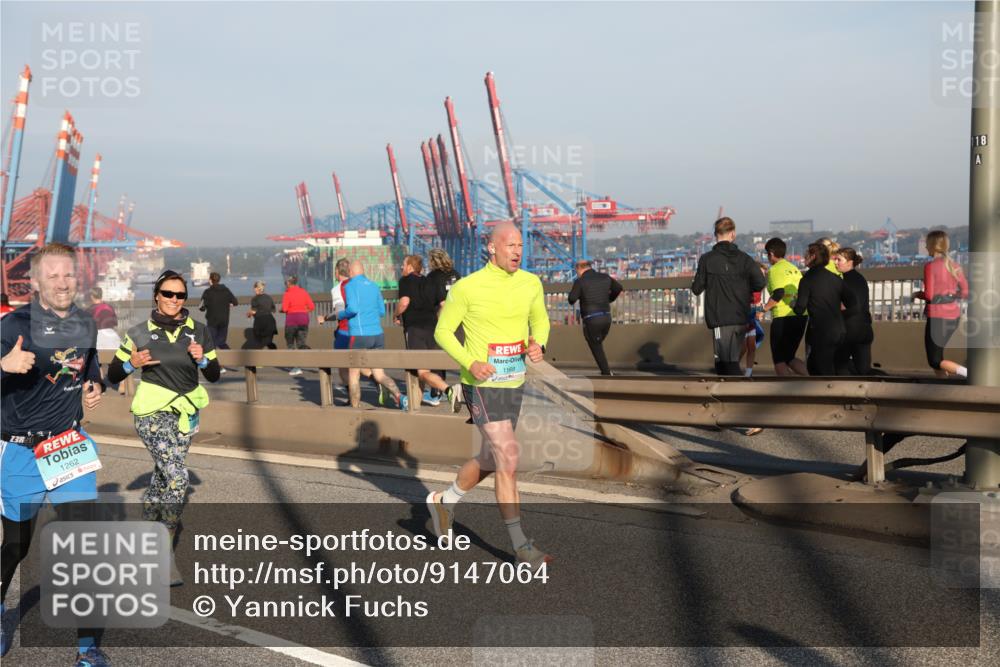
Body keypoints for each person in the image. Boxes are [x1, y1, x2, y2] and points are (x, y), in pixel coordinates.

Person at [1, 243, 107, 665]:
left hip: (68, 445)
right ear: (36, 281)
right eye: (54, 275)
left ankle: (87, 650)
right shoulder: (13, 325)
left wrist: (95, 385)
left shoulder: (85, 323)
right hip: (22, 451)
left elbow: (89, 364)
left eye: (69, 275)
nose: (63, 283)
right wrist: (3, 366)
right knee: (17, 546)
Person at [428, 222, 552, 570]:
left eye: (520, 246)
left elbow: (540, 321)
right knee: (508, 457)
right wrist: (471, 362)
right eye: (510, 245)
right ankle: (521, 547)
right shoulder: (467, 288)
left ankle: (443, 500)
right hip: (481, 385)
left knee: (489, 458)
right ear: (492, 248)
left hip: (514, 381)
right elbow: (442, 331)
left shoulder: (530, 283)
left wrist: (538, 342)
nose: (517, 251)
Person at [108, 270, 221, 587]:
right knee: (178, 476)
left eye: (180, 295)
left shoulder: (198, 331)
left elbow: (214, 374)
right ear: (156, 295)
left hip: (186, 414)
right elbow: (113, 375)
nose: (174, 300)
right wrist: (132, 364)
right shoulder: (139, 333)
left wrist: (202, 360)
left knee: (162, 477)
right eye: (168, 294)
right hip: (151, 412)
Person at [691, 217, 766, 375]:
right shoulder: (745, 258)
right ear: (733, 234)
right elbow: (760, 282)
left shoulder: (707, 260)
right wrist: (744, 291)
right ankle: (733, 392)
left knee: (723, 362)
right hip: (741, 315)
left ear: (715, 235)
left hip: (719, 317)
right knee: (732, 358)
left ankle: (734, 392)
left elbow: (696, 288)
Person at [336, 260, 407, 410]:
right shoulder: (374, 286)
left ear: (350, 271)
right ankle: (400, 397)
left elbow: (353, 309)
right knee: (379, 374)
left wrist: (340, 314)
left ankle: (355, 409)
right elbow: (382, 311)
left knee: (353, 374)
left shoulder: (350, 286)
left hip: (359, 335)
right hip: (377, 335)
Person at [395, 255, 455, 407]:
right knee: (419, 371)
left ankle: (449, 390)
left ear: (410, 266)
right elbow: (441, 303)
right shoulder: (429, 281)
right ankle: (415, 405)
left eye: (403, 264)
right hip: (432, 328)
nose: (402, 267)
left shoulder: (405, 280)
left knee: (421, 371)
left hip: (415, 329)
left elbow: (404, 302)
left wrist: (396, 314)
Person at [792, 243, 856, 375]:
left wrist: (793, 302)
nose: (804, 257)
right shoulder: (835, 278)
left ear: (813, 256)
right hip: (839, 330)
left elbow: (799, 309)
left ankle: (829, 394)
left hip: (821, 331)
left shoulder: (807, 279)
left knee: (819, 370)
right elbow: (852, 302)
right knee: (834, 367)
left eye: (806, 255)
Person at [913, 230, 969, 378]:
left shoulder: (930, 266)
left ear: (932, 246)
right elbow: (965, 292)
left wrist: (917, 294)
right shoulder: (955, 265)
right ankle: (941, 387)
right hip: (953, 316)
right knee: (938, 356)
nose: (925, 247)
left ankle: (968, 373)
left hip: (937, 316)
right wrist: (950, 295)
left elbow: (929, 295)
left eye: (926, 244)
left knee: (934, 359)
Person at [763, 237, 809, 377]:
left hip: (783, 318)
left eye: (767, 254)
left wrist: (763, 309)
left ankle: (788, 390)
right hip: (801, 316)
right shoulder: (794, 268)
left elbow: (778, 293)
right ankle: (813, 378)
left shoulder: (774, 270)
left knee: (779, 359)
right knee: (789, 357)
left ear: (771, 253)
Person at [568, 260, 623, 376]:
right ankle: (606, 371)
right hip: (606, 318)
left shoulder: (580, 281)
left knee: (595, 344)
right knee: (597, 343)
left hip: (591, 319)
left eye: (576, 271)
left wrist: (580, 293)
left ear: (579, 269)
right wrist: (610, 299)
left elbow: (572, 299)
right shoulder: (605, 277)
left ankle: (606, 373)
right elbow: (618, 287)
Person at [425, 248, 463, 406]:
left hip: (441, 321)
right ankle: (469, 391)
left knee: (437, 357)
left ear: (432, 261)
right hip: (460, 321)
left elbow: (439, 302)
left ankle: (436, 393)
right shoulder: (456, 274)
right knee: (461, 355)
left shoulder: (433, 277)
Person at [833, 248, 874, 375]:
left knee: (839, 366)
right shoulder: (859, 278)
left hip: (850, 330)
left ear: (849, 262)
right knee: (864, 370)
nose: (835, 262)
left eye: (839, 260)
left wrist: (835, 312)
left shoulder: (847, 280)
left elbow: (853, 306)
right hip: (864, 329)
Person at [198, 272, 238, 370]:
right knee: (221, 341)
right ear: (219, 280)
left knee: (211, 344)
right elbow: (235, 302)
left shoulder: (207, 292)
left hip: (212, 321)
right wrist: (227, 304)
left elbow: (201, 307)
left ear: (210, 280)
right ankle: (232, 357)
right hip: (224, 320)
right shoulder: (226, 290)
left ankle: (218, 366)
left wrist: (207, 306)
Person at [280, 275, 314, 376]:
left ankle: (296, 367)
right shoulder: (303, 291)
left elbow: (285, 309)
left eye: (285, 283)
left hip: (291, 321)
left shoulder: (287, 293)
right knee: (301, 344)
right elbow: (311, 307)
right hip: (303, 319)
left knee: (290, 344)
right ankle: (311, 355)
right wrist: (303, 311)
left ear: (288, 283)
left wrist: (281, 310)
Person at [740, 264, 768, 378]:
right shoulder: (745, 285)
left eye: (764, 274)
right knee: (744, 347)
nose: (762, 276)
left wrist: (761, 310)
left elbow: (757, 305)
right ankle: (733, 368)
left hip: (751, 320)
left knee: (751, 346)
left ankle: (748, 373)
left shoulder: (759, 289)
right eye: (760, 273)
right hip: (742, 319)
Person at [87, 286, 121, 351]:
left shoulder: (89, 310)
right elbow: (115, 324)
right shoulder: (109, 307)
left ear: (92, 296)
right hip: (111, 336)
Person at [246, 281, 277, 349]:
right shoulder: (269, 297)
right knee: (269, 342)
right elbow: (273, 310)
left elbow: (254, 311)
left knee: (260, 343)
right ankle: (274, 355)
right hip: (270, 321)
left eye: (254, 288)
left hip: (260, 322)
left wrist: (248, 314)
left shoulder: (255, 299)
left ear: (256, 288)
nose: (254, 290)